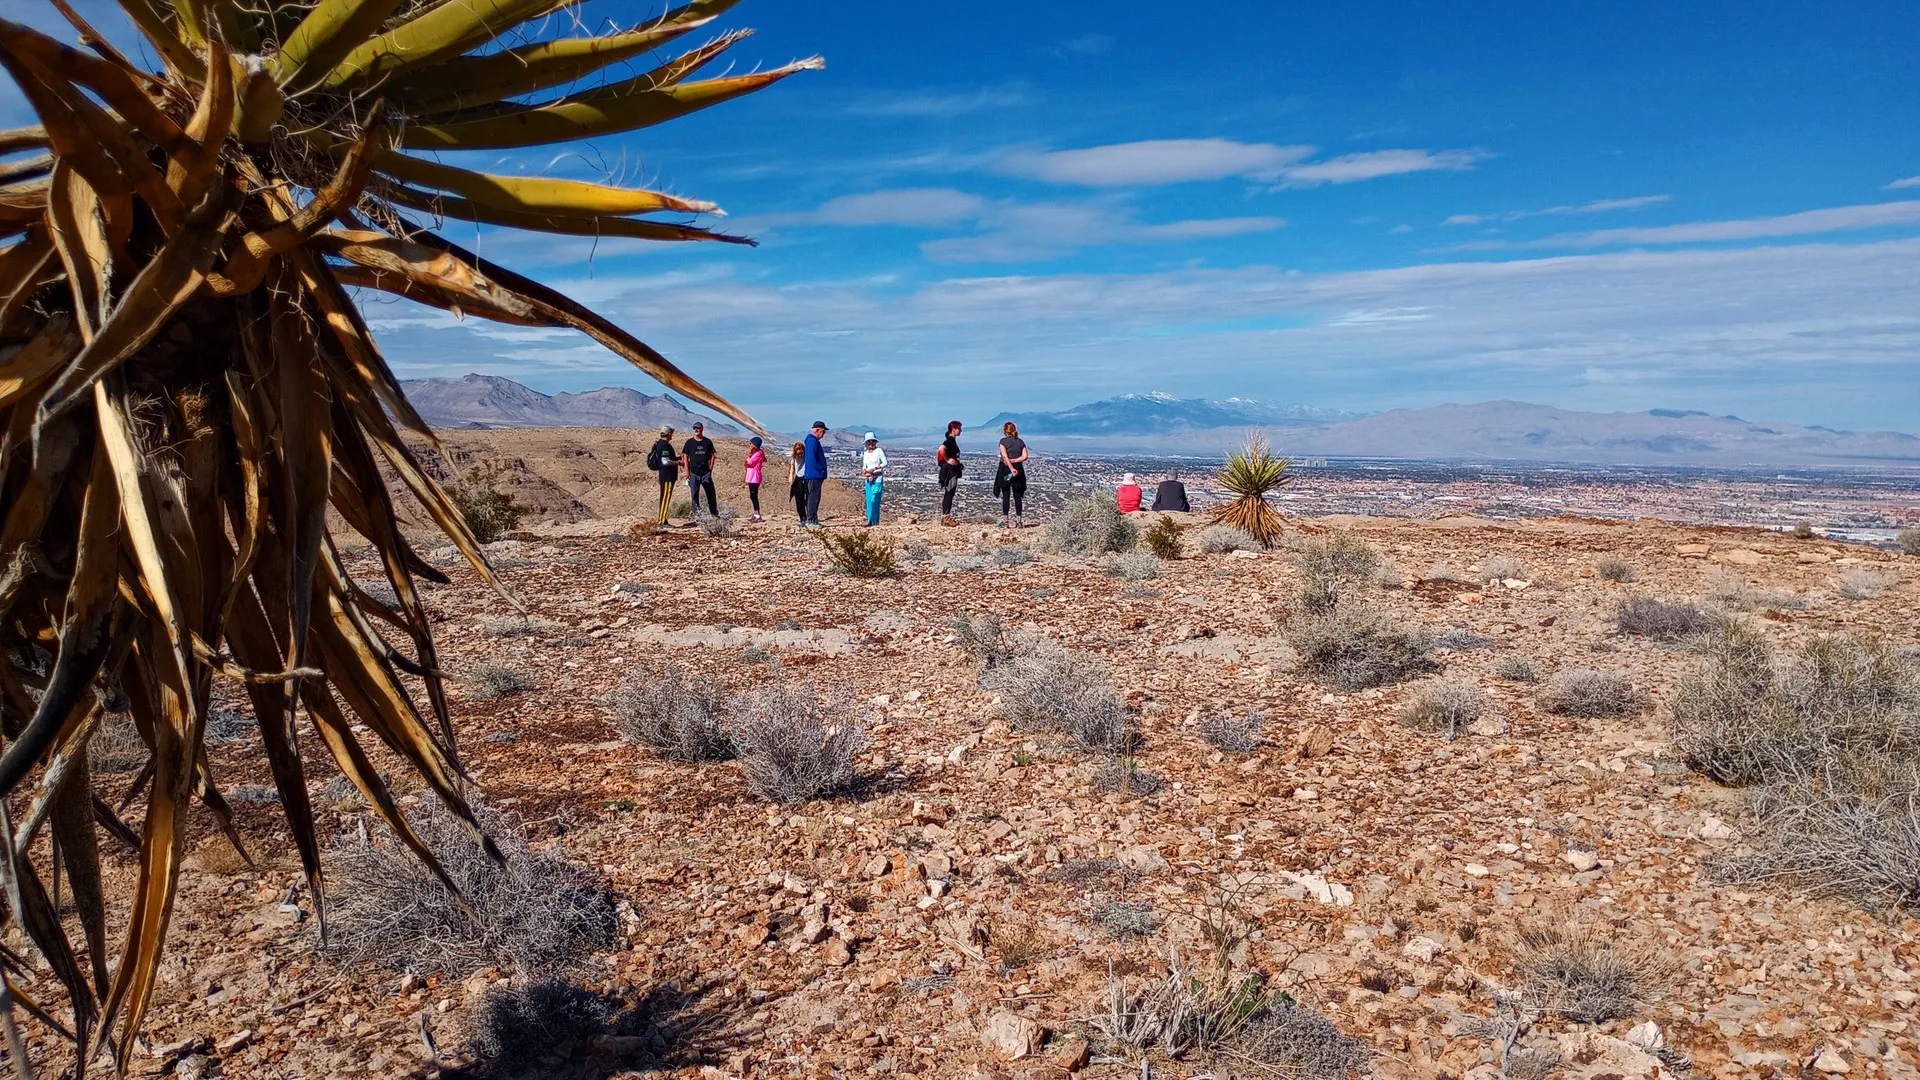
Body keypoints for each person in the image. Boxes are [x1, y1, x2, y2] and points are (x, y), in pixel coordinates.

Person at [995, 420, 1029, 528]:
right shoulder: (1020, 442)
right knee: (1017, 495)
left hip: (1006, 470)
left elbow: (1004, 457)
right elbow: (1025, 457)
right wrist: (1015, 462)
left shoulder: (1003, 441)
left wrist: (1010, 467)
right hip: (1018, 469)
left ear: (1005, 431)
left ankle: (1006, 521)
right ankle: (1019, 521)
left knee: (1006, 494)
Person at [682, 421, 718, 519]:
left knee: (710, 493)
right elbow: (685, 455)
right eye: (694, 428)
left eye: (698, 428)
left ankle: (714, 514)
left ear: (702, 429)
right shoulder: (689, 443)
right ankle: (697, 515)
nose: (696, 430)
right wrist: (686, 469)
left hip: (705, 473)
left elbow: (712, 456)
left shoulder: (707, 442)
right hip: (694, 472)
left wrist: (710, 469)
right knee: (694, 494)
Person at [646, 425, 680, 529]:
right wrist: (679, 462)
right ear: (669, 434)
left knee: (665, 497)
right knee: (665, 497)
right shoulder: (664, 445)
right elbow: (665, 461)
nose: (672, 435)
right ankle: (662, 522)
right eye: (671, 433)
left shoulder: (660, 444)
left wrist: (679, 458)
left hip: (665, 475)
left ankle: (663, 519)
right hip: (667, 476)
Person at [801, 421, 829, 528]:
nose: (824, 434)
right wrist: (820, 469)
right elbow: (812, 458)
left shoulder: (812, 441)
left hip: (814, 474)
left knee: (813, 496)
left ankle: (813, 519)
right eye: (823, 431)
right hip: (815, 474)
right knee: (813, 497)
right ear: (817, 430)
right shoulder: (812, 441)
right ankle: (811, 520)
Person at [936, 420, 963, 527]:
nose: (960, 431)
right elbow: (941, 449)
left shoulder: (951, 440)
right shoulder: (950, 440)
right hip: (950, 471)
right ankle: (946, 518)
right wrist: (948, 460)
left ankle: (945, 517)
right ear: (954, 429)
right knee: (949, 493)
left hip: (950, 470)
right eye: (959, 429)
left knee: (949, 493)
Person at [858, 432, 887, 526]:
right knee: (869, 500)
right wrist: (864, 470)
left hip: (877, 477)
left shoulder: (879, 451)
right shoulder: (865, 453)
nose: (871, 443)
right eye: (869, 442)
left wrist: (874, 468)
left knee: (875, 499)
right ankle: (870, 521)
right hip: (868, 478)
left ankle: (875, 521)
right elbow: (864, 465)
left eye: (873, 441)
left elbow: (885, 463)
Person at [743, 436, 766, 522]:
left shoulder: (759, 453)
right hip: (751, 477)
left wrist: (747, 461)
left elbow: (749, 463)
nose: (749, 445)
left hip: (754, 477)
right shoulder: (753, 453)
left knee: (754, 496)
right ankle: (755, 513)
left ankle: (757, 514)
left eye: (751, 443)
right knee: (752, 496)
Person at [786, 441, 808, 523]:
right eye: (797, 449)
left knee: (806, 500)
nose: (799, 451)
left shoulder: (806, 457)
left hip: (806, 478)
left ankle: (808, 517)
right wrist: (791, 476)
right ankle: (802, 518)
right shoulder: (794, 458)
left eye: (800, 449)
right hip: (798, 479)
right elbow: (792, 467)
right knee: (799, 500)